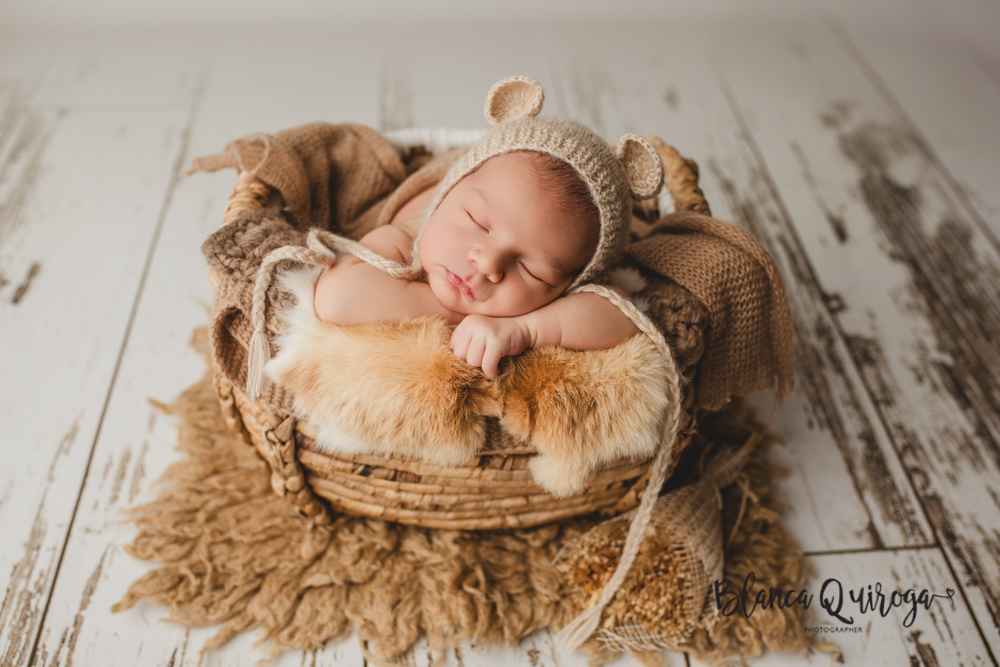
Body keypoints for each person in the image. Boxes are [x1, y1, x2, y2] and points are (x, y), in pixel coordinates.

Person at [313, 75, 664, 379]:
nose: (487, 263)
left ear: (570, 285)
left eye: (532, 271)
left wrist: (524, 329)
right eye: (477, 222)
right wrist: (457, 315)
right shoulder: (406, 238)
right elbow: (336, 298)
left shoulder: (561, 264)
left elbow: (623, 315)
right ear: (449, 192)